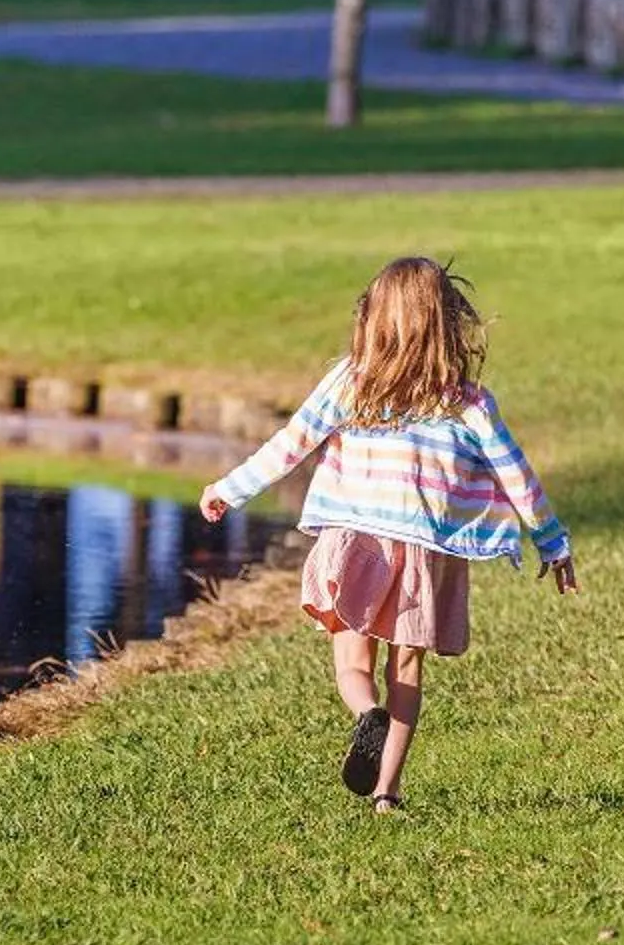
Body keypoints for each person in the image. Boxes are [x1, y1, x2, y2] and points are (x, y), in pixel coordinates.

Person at [200, 257, 576, 813]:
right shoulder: (467, 402)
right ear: (445, 323)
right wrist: (551, 541)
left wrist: (230, 488)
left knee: (352, 662)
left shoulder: (350, 381)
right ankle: (387, 794)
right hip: (427, 553)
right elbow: (517, 475)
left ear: (374, 320)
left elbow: (291, 443)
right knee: (407, 669)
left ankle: (364, 714)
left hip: (358, 542)